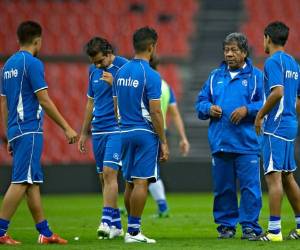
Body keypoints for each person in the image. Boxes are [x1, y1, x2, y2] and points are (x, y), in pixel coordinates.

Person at [0, 20, 78, 245]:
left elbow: (3, 103)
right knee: (20, 181)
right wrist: (66, 127)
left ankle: (44, 232)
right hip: (30, 130)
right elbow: (43, 99)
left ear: (18, 39)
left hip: (16, 129)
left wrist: (8, 134)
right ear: (38, 40)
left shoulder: (7, 66)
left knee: (31, 182)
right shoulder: (32, 63)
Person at [195, 32, 263, 239]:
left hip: (247, 143)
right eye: (226, 50)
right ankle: (226, 226)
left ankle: (250, 226)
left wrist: (247, 110)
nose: (229, 54)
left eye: (234, 50)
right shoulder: (215, 76)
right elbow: (200, 103)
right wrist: (209, 109)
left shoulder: (256, 76)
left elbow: (266, 103)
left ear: (244, 53)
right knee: (223, 189)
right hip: (221, 142)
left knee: (250, 189)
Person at [113, 26, 169, 243]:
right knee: (141, 182)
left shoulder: (121, 72)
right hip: (144, 132)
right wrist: (163, 141)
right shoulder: (151, 75)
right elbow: (155, 111)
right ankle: (134, 232)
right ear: (151, 47)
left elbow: (116, 105)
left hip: (124, 131)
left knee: (129, 182)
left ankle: (132, 229)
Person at [252, 21, 300, 242]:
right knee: (288, 177)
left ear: (268, 38)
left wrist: (261, 115)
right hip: (290, 125)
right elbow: (297, 99)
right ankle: (299, 226)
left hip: (275, 126)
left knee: (274, 178)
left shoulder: (273, 62)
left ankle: (274, 231)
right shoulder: (293, 63)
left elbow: (278, 92)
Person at [78, 37, 128, 239]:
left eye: (100, 61)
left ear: (109, 53)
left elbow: (134, 96)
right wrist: (83, 132)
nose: (98, 66)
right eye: (94, 62)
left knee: (109, 173)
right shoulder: (93, 71)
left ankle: (105, 221)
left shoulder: (124, 67)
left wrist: (116, 83)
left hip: (116, 128)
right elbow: (90, 103)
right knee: (102, 177)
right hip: (97, 130)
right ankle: (116, 225)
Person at [148, 58, 190, 218]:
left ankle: (162, 206)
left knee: (146, 172)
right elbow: (175, 113)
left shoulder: (145, 84)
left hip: (148, 131)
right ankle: (161, 206)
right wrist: (183, 137)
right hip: (162, 131)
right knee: (149, 171)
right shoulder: (165, 86)